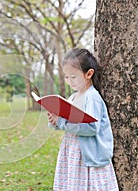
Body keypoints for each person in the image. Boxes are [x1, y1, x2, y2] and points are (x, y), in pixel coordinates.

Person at [47, 48, 119, 191]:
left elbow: (92, 127)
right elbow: (66, 122)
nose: (69, 81)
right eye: (66, 77)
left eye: (73, 77)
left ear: (89, 74)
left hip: (89, 156)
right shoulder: (73, 97)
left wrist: (62, 123)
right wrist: (54, 120)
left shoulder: (92, 98)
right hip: (73, 152)